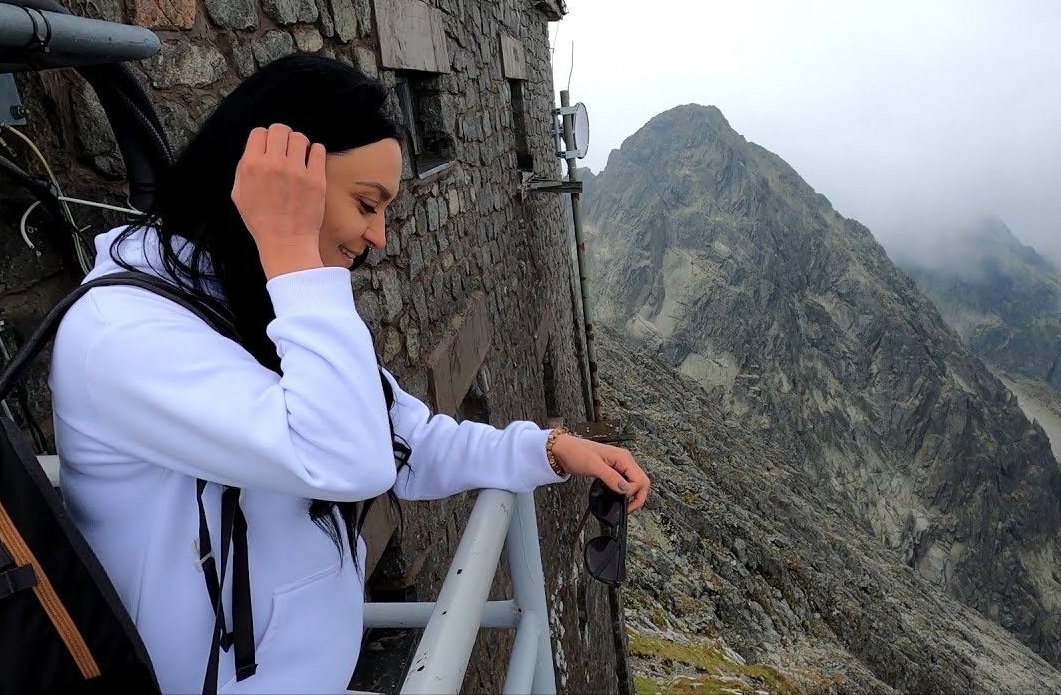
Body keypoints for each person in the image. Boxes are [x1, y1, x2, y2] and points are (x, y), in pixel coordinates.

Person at [47, 53, 651, 694]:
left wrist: (549, 450)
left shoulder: (249, 301)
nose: (380, 235)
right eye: (368, 203)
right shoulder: (125, 337)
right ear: (279, 182)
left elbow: (403, 439)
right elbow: (346, 459)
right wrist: (288, 249)